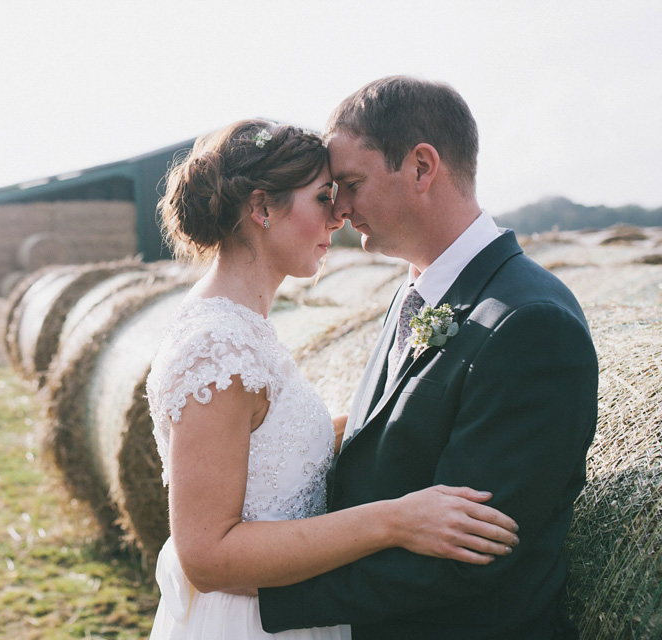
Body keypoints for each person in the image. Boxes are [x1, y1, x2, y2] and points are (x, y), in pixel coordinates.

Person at [146, 118, 521, 640]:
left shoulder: (240, 326)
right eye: (323, 197)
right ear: (262, 209)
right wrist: (395, 520)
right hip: (253, 623)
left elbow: (270, 446)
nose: (339, 217)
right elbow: (207, 556)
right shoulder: (218, 349)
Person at [257, 77, 599, 639]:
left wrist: (263, 593)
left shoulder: (532, 324)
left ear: (421, 167)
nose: (338, 209)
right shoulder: (414, 291)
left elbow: (474, 547)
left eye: (350, 183)